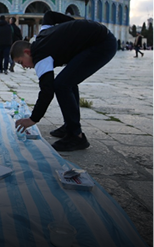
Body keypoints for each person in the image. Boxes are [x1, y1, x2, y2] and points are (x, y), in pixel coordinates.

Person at [10, 11, 117, 151]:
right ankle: (70, 126)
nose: (24, 67)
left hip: (101, 44)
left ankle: (76, 136)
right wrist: (73, 25)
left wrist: (32, 119)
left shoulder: (40, 56)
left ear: (27, 52)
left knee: (62, 84)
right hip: (97, 37)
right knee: (67, 81)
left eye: (21, 62)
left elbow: (47, 91)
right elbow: (49, 15)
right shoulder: (43, 33)